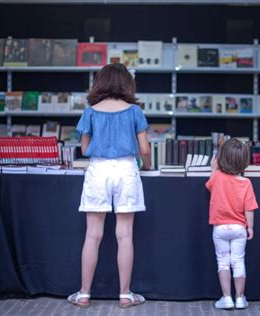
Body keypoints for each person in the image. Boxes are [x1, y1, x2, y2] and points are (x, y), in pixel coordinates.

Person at [67, 63, 151, 309]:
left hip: (98, 169)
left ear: (100, 82)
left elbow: (84, 149)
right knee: (125, 236)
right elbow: (144, 149)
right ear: (127, 83)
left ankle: (84, 294)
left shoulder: (90, 112)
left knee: (93, 235)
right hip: (126, 169)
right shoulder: (135, 111)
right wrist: (145, 165)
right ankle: (125, 295)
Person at [205, 138, 258, 310]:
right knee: (238, 262)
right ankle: (240, 298)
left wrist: (213, 168)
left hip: (220, 228)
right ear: (244, 161)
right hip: (239, 229)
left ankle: (227, 298)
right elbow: (249, 208)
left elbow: (209, 185)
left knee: (223, 262)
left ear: (222, 158)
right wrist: (250, 227)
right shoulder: (246, 183)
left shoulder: (217, 178)